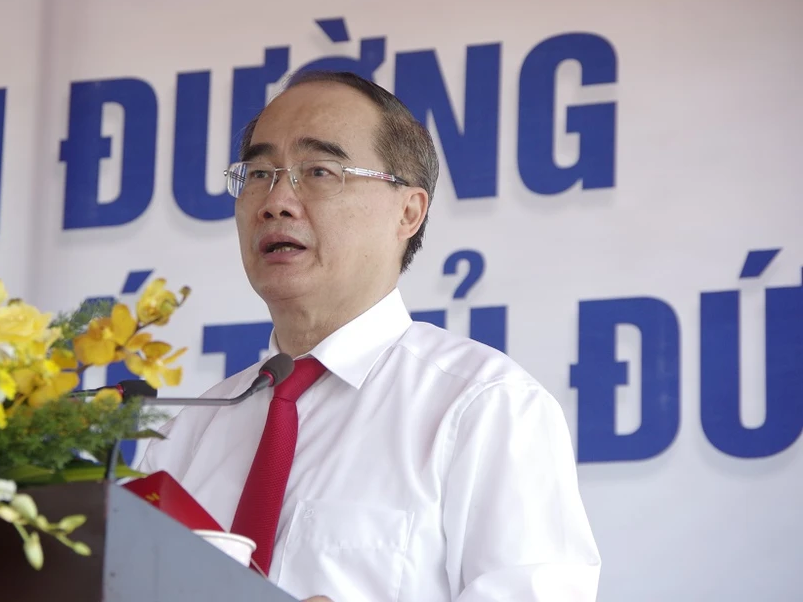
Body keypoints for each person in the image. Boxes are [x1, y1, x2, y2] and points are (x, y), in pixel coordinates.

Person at [138, 70, 601, 601]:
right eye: (260, 173)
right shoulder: (188, 436)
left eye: (319, 171)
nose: (276, 201)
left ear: (408, 212)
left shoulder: (484, 407)